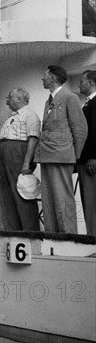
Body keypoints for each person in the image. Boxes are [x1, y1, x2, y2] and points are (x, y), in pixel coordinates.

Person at [35, 65, 87, 233]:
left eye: (45, 75)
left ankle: (69, 235)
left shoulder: (69, 98)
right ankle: (52, 235)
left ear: (53, 78)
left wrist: (75, 156)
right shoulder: (48, 101)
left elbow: (79, 128)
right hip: (47, 154)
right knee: (48, 198)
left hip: (62, 154)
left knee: (63, 197)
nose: (42, 78)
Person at [0, 87, 41, 231]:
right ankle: (14, 229)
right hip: (5, 152)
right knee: (7, 193)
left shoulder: (30, 115)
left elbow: (33, 139)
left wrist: (26, 163)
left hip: (18, 153)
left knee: (22, 192)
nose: (7, 100)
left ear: (20, 99)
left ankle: (29, 230)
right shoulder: (12, 116)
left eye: (10, 96)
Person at [78, 70, 96, 235]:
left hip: (91, 162)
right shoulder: (87, 104)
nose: (79, 83)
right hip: (84, 161)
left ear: (91, 83)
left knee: (91, 203)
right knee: (88, 203)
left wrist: (93, 156)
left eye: (82, 81)